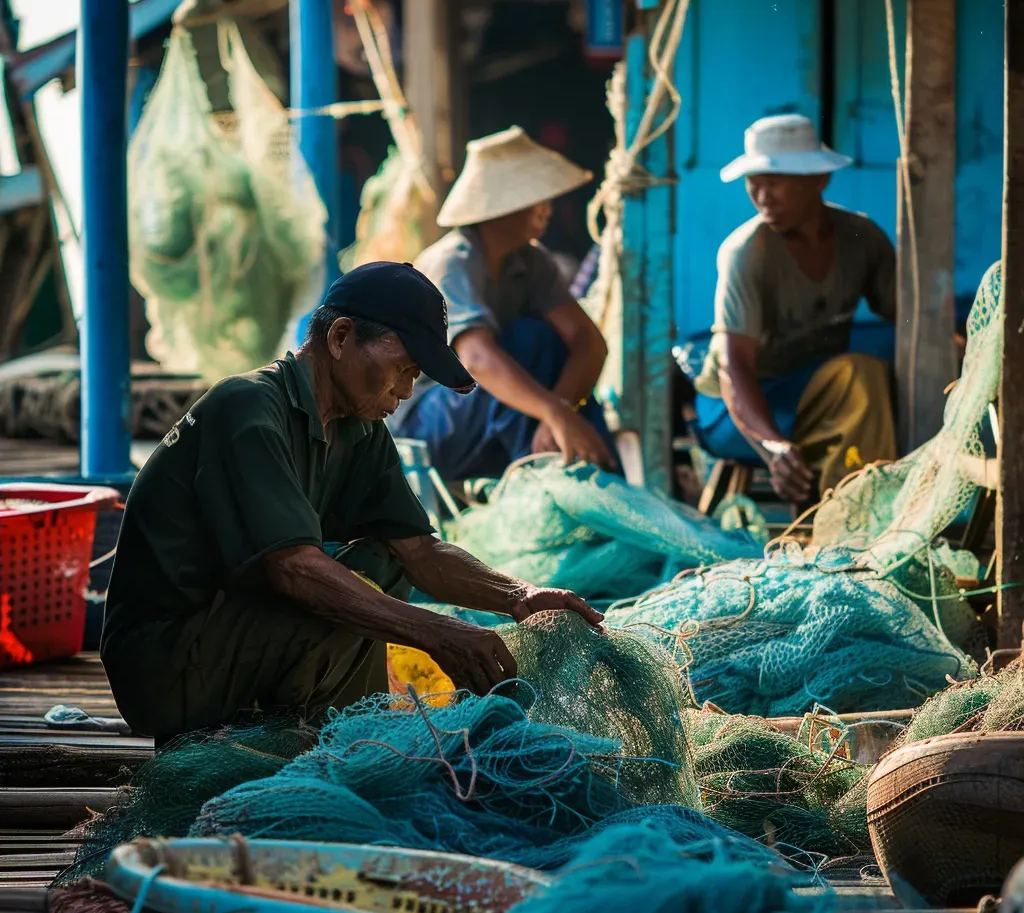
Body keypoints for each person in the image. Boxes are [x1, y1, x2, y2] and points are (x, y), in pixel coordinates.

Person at [100, 262, 603, 742]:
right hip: (164, 665)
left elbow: (420, 553)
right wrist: (438, 633)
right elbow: (293, 570)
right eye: (402, 369)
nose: (406, 391)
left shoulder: (359, 426)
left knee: (383, 561)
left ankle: (335, 734)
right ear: (340, 338)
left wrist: (518, 596)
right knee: (336, 590)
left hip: (234, 634)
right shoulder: (247, 407)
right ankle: (314, 738)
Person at [388, 126, 617, 482]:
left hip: (491, 411)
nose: (548, 209)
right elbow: (477, 360)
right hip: (426, 422)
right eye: (537, 198)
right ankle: (543, 478)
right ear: (504, 204)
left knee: (542, 342)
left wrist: (562, 408)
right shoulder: (454, 262)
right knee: (528, 343)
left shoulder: (533, 262)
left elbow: (589, 344)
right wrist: (555, 414)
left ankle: (595, 475)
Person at [692, 114, 898, 504]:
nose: (762, 197)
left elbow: (908, 316)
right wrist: (773, 445)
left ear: (818, 181)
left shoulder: (861, 237)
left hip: (814, 393)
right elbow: (734, 366)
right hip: (739, 407)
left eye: (774, 183)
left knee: (869, 375)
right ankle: (842, 525)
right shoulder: (746, 253)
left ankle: (850, 523)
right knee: (859, 382)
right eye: (754, 184)